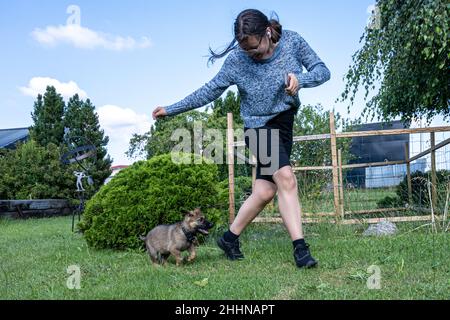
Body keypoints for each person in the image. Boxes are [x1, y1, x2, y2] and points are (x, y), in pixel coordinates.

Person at [152, 9, 330, 268]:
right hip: (257, 127)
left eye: (255, 48)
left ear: (267, 32)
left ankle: (229, 238)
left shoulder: (293, 42)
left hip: (284, 122)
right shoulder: (237, 60)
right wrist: (171, 109)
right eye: (246, 50)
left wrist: (300, 79)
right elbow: (209, 90)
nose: (252, 54)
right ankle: (301, 250)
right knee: (286, 179)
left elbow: (323, 71)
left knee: (265, 190)